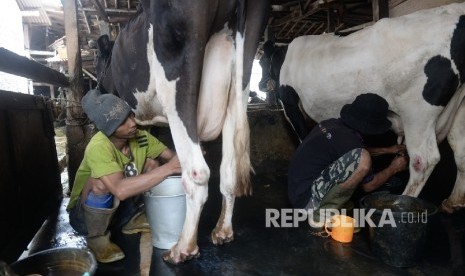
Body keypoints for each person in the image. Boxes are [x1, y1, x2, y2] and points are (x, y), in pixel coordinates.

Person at [66, 89, 181, 263]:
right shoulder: (98, 147)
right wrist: (169, 169)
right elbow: (119, 189)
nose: (132, 123)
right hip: (86, 219)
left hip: (120, 211)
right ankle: (97, 240)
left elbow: (171, 158)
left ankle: (132, 219)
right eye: (122, 123)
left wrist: (189, 158)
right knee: (99, 183)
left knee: (152, 163)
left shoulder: (140, 137)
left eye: (129, 116)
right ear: (107, 130)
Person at [287, 93, 408, 229]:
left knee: (361, 156)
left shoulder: (331, 124)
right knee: (363, 160)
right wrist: (394, 168)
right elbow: (369, 185)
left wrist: (388, 150)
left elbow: (351, 150)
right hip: (306, 203)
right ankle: (322, 215)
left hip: (297, 191)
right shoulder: (351, 144)